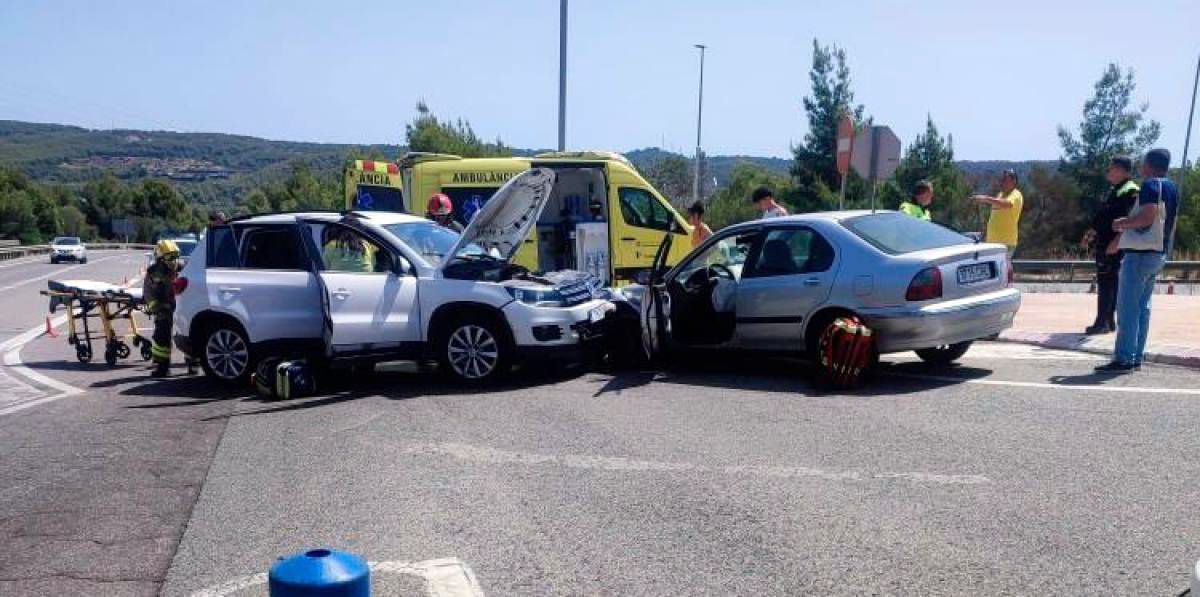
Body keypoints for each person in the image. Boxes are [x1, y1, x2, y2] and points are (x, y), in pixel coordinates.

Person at [1096, 148, 1180, 373]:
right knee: (1143, 308)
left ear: (1150, 165)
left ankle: (1124, 358)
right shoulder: (1172, 187)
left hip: (1140, 254)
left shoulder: (1151, 185)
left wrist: (1122, 223)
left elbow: (1147, 216)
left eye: (1143, 163)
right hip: (1157, 253)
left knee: (1127, 309)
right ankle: (1136, 356)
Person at [1080, 156, 1139, 335]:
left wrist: (1116, 242)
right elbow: (1104, 216)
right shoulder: (1117, 190)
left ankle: (1102, 322)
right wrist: (1090, 233)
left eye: (1111, 168)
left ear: (1122, 170)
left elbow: (1127, 220)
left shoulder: (1130, 191)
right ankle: (1108, 321)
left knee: (1107, 282)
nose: (1108, 172)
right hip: (1106, 241)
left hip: (1114, 244)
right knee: (1109, 281)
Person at [143, 239, 181, 377]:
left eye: (176, 256)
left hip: (182, 308)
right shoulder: (153, 272)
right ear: (160, 257)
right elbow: (148, 292)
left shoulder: (183, 268)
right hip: (163, 310)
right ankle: (162, 367)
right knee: (161, 337)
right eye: (170, 257)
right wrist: (157, 308)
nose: (174, 260)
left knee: (190, 334)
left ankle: (193, 364)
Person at [972, 169, 1024, 252]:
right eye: (1002, 180)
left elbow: (1007, 204)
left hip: (1006, 242)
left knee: (1004, 264)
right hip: (992, 242)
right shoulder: (1000, 195)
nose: (1002, 182)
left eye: (1005, 180)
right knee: (1004, 265)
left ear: (1013, 182)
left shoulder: (1016, 194)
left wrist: (985, 199)